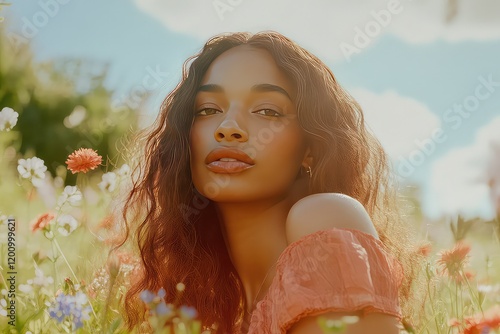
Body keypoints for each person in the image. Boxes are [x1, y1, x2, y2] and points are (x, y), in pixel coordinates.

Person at [121, 31, 417, 334]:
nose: (228, 128)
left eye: (267, 110)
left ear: (310, 149)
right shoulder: (219, 315)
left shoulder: (324, 216)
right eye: (208, 109)